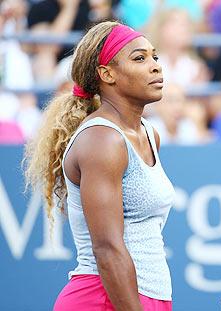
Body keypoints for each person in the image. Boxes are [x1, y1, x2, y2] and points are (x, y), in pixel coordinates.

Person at [24, 21, 174, 310]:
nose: (155, 66)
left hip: (144, 297)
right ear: (107, 74)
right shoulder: (102, 140)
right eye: (139, 58)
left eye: (154, 56)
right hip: (103, 298)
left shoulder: (148, 133)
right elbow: (106, 249)